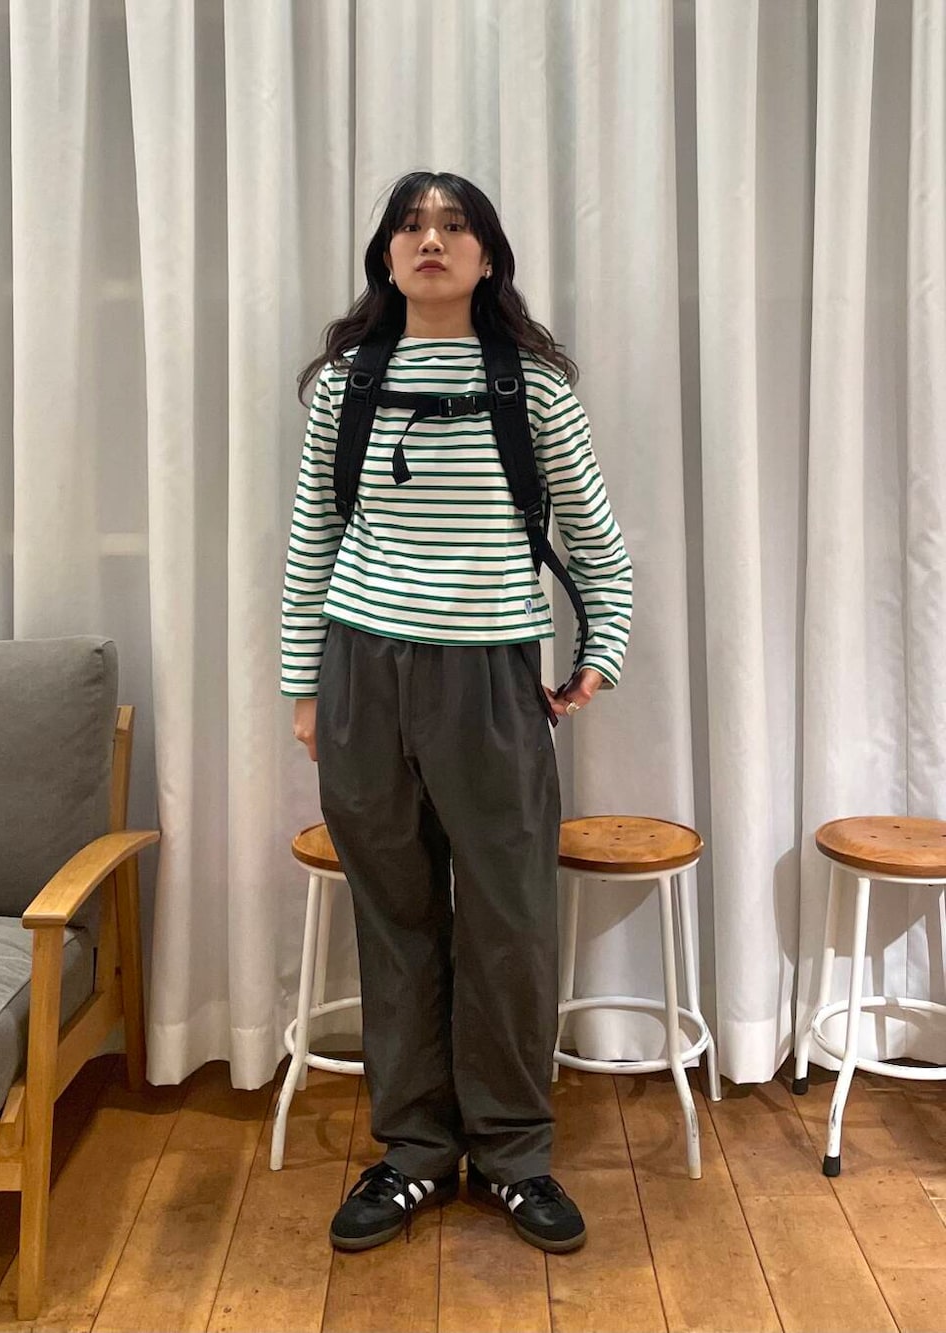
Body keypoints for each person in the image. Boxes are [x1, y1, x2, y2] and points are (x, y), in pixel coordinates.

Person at [281, 170, 632, 1255]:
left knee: (508, 920)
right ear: (386, 257)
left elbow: (595, 540)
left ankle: (515, 1153)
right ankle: (415, 1152)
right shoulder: (345, 385)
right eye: (411, 225)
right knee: (394, 919)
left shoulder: (535, 387)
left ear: (488, 256)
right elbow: (312, 540)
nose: (431, 239)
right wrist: (303, 686)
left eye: (454, 225)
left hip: (491, 680)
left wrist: (602, 650)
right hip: (362, 672)